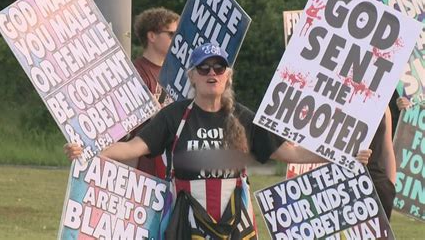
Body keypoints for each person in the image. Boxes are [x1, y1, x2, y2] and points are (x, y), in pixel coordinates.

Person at [65, 43, 371, 238]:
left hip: (236, 220)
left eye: (218, 67)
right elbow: (133, 148)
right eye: (204, 68)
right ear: (193, 77)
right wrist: (88, 149)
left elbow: (290, 152)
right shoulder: (175, 115)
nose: (212, 73)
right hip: (186, 222)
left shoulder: (242, 116)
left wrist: (342, 154)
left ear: (227, 76)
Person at [131, 7, 179, 176]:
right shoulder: (136, 73)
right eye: (171, 34)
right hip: (145, 170)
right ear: (151, 36)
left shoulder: (178, 73)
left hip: (172, 168)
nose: (177, 39)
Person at [367, 106, 396, 220]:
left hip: (378, 185)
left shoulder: (384, 105)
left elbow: (387, 150)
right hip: (343, 180)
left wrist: (391, 186)